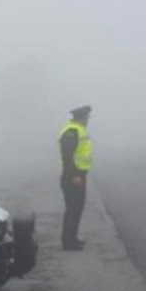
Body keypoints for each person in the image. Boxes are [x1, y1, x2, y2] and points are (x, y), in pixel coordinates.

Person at [58, 105, 93, 251]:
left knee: (77, 208)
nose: (88, 120)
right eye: (87, 117)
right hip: (72, 176)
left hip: (78, 175)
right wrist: (75, 175)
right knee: (72, 209)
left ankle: (73, 238)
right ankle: (68, 241)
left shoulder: (78, 130)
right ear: (81, 117)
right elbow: (67, 156)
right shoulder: (72, 132)